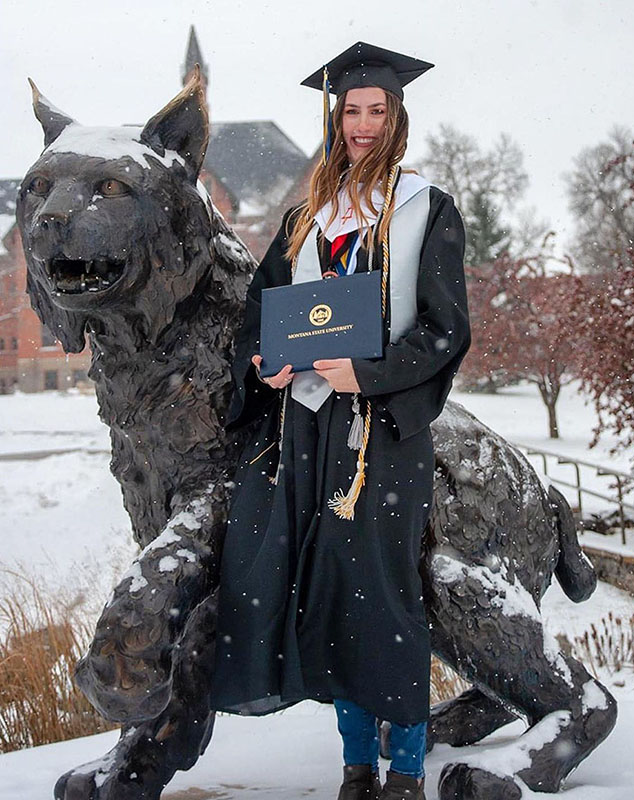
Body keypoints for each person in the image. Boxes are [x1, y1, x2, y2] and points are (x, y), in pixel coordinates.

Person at [211, 42, 470, 800]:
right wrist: (264, 363)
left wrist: (372, 374)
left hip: (381, 434)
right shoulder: (304, 219)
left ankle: (408, 768)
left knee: (384, 595)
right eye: (350, 111)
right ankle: (357, 763)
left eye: (376, 110)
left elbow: (445, 329)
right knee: (329, 591)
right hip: (306, 430)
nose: (362, 125)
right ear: (336, 118)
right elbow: (260, 319)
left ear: (397, 117)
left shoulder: (427, 210)